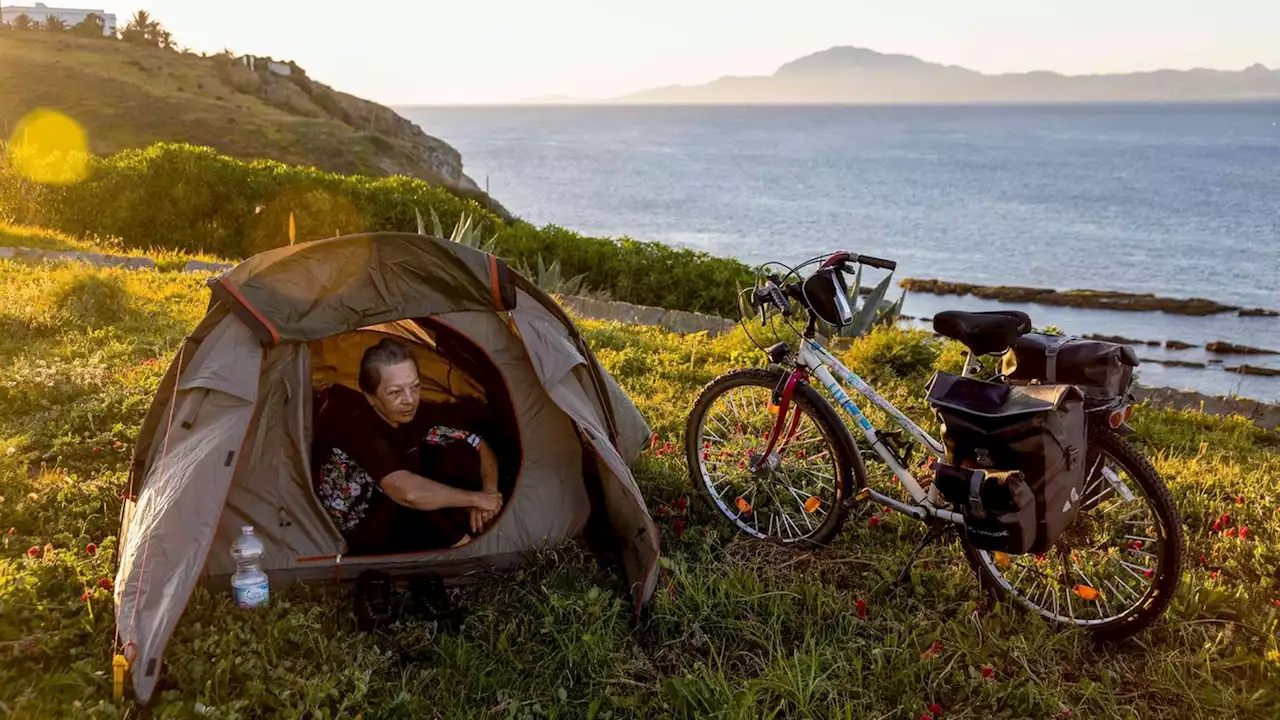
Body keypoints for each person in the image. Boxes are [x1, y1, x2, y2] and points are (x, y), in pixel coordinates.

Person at [312, 337, 505, 554]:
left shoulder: (416, 413)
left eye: (415, 387)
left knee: (458, 455)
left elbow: (478, 444)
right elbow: (406, 493)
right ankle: (466, 550)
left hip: (396, 503)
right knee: (417, 499)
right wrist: (475, 499)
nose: (409, 400)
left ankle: (468, 532)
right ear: (370, 396)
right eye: (395, 392)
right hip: (359, 527)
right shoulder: (357, 427)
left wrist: (489, 492)